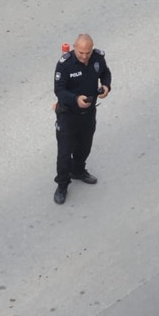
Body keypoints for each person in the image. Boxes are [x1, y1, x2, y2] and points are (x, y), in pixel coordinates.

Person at [53, 34, 111, 205]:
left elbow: (105, 73)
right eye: (80, 52)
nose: (84, 56)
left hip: (89, 114)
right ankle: (62, 185)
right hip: (68, 115)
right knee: (64, 155)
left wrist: (107, 86)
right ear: (74, 48)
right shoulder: (65, 64)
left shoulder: (98, 59)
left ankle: (78, 171)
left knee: (84, 147)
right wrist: (76, 99)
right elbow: (59, 90)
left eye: (87, 52)